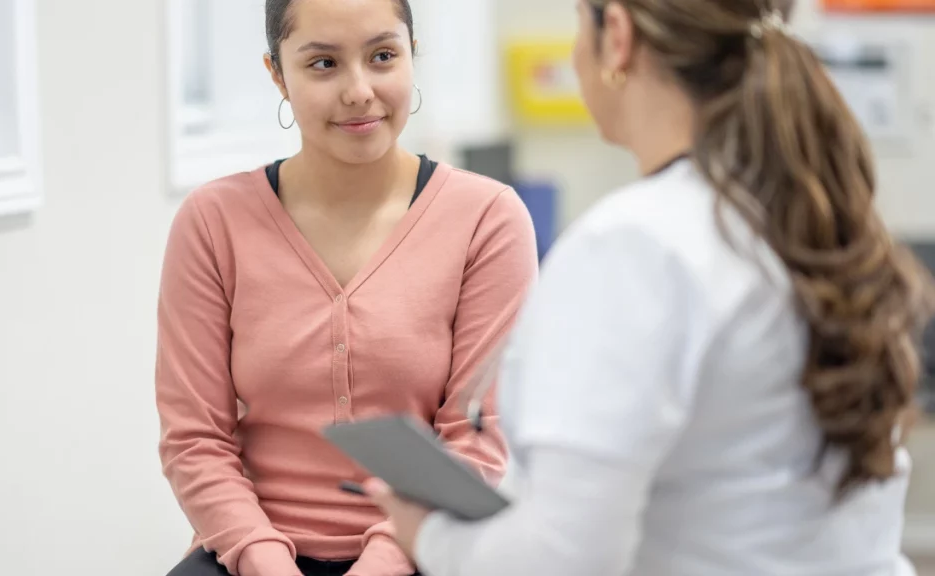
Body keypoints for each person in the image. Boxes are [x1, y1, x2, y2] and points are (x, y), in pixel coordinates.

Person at [366, 1, 935, 575]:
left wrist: (429, 537)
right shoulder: (811, 222)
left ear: (616, 34)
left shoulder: (633, 246)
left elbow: (562, 560)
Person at [154, 0, 538, 575]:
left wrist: (383, 559)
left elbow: (475, 440)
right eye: (324, 64)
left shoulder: (487, 218)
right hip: (252, 553)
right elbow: (195, 439)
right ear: (277, 74)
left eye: (383, 56)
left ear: (413, 56)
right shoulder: (213, 222)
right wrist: (264, 559)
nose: (359, 90)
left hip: (422, 550)